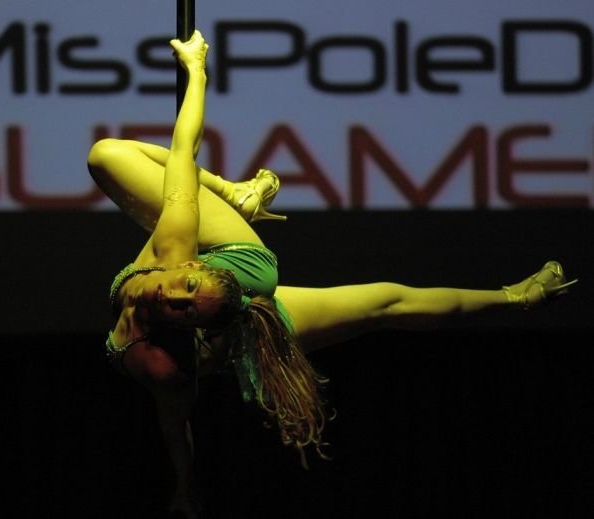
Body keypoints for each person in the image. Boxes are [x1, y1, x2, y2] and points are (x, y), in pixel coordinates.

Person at [86, 30, 577, 519]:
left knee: (384, 302)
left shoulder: (170, 325)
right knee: (108, 155)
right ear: (192, 267)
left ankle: (517, 298)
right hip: (243, 287)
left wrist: (184, 491)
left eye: (185, 308)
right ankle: (235, 194)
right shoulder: (174, 278)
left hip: (239, 285)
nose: (171, 298)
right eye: (186, 294)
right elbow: (182, 146)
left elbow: (176, 422)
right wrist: (196, 70)